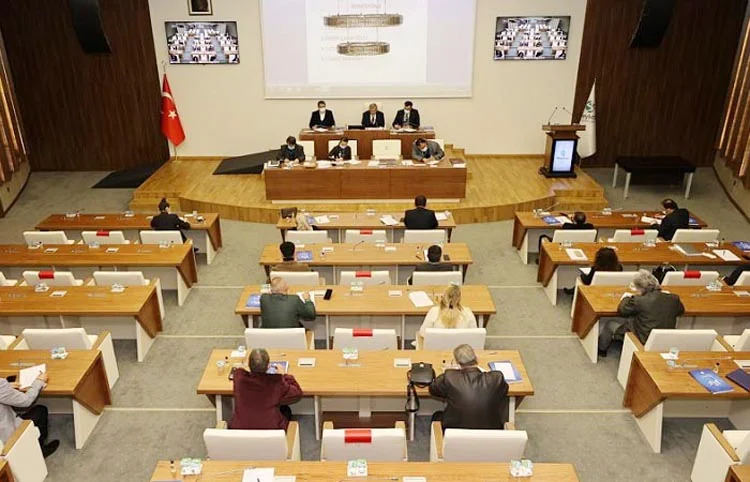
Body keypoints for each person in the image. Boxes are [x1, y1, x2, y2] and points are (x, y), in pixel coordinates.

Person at [597, 269, 685, 357]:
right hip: (664, 338)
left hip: (642, 339)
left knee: (610, 324)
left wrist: (626, 298)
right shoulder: (674, 298)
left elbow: (622, 310)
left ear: (640, 288)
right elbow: (680, 311)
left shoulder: (639, 300)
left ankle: (601, 350)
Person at [429, 344, 510, 430]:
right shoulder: (497, 377)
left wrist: (451, 372)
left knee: (437, 416)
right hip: (490, 431)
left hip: (454, 430)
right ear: (476, 358)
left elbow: (433, 389)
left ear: (457, 363)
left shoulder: (450, 377)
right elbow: (504, 391)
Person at [229, 348, 303, 430]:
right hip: (270, 431)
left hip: (240, 431)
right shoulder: (276, 382)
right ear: (268, 366)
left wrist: (244, 367)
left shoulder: (239, 378)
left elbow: (238, 371)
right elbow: (297, 393)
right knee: (285, 410)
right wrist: (284, 375)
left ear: (249, 365)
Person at [0, 371, 59, 457]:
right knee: (41, 410)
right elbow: (26, 401)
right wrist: (39, 381)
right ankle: (40, 450)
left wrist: (6, 388)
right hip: (6, 437)